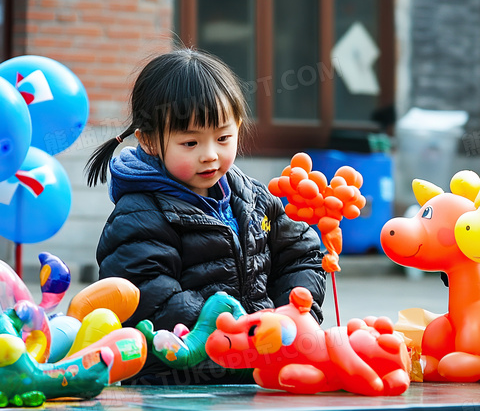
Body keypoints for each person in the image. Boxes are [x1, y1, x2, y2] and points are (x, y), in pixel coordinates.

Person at [84, 49, 327, 385]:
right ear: (149, 141)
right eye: (190, 143)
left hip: (258, 373)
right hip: (176, 386)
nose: (210, 155)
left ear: (239, 127)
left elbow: (301, 255)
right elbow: (150, 300)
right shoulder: (139, 215)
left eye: (223, 138)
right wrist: (241, 334)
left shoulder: (254, 199)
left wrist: (294, 316)